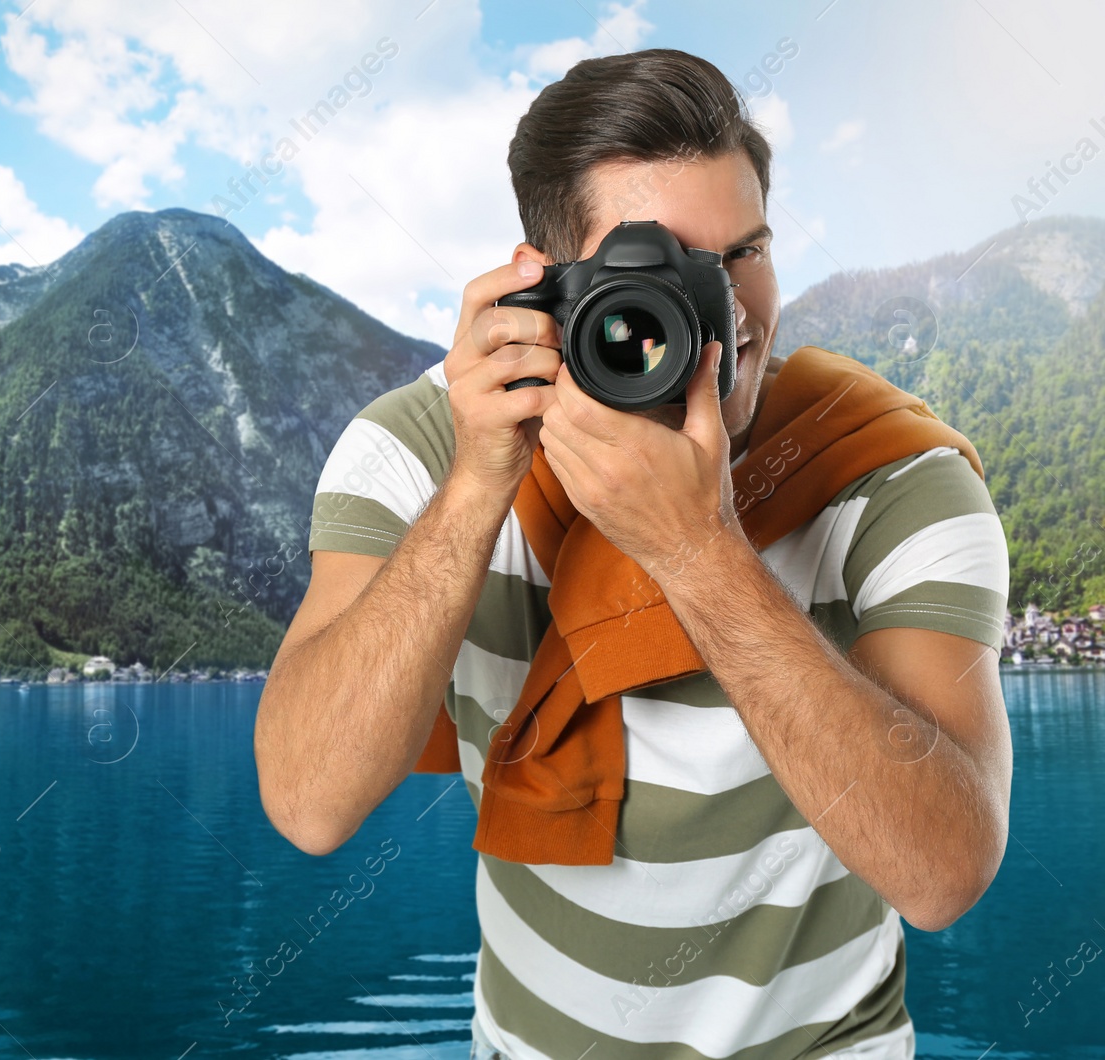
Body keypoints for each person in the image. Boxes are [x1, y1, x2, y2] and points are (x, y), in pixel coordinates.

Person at [252, 47, 1012, 1059]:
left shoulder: (892, 478)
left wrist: (700, 551)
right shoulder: (422, 451)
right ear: (546, 282)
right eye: (659, 268)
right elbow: (309, 804)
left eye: (742, 253)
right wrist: (480, 485)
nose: (726, 315)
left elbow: (942, 876)